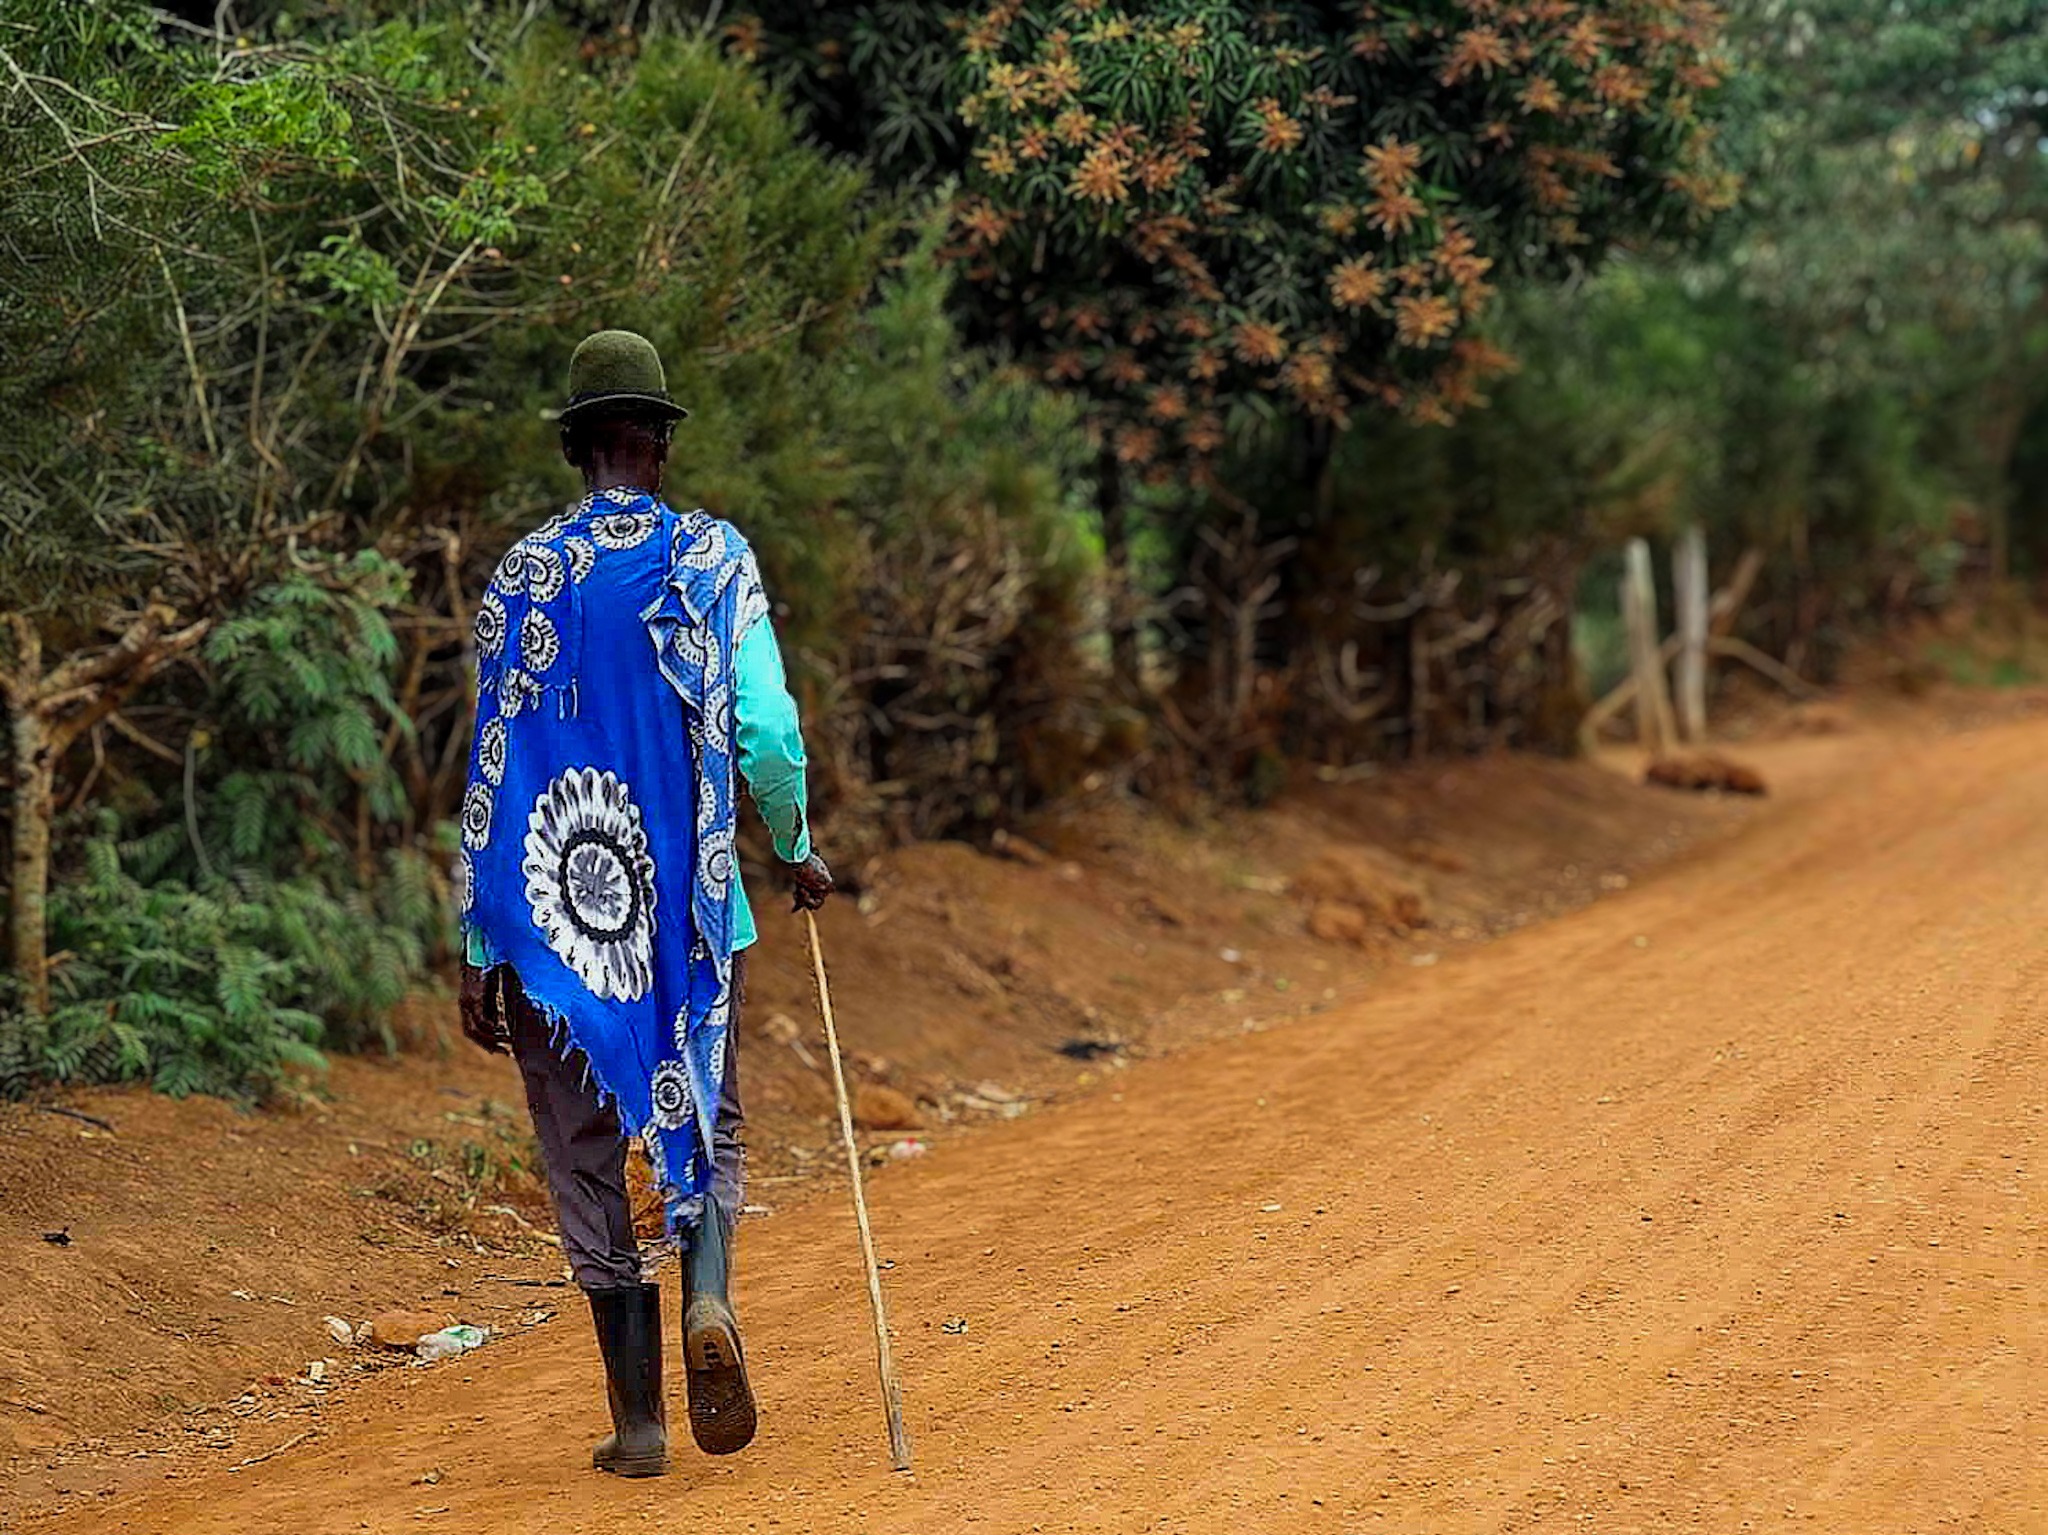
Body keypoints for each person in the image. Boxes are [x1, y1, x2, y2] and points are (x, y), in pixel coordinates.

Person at [455, 330, 832, 1478]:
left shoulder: (519, 578)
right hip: (685, 917)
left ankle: (638, 1422)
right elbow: (766, 728)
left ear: (575, 447)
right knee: (704, 1112)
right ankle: (707, 1295)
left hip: (550, 914)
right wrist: (796, 845)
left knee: (578, 1147)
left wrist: (477, 936)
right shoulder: (711, 558)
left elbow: (491, 768)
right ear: (659, 443)